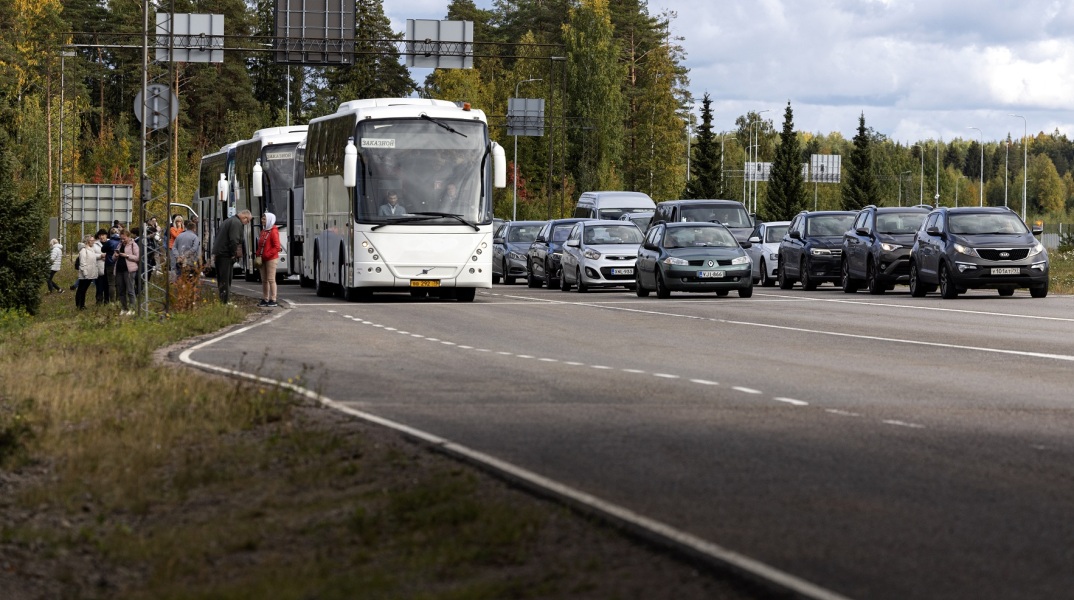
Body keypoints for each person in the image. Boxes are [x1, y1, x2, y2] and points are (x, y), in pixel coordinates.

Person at [211, 209, 252, 304]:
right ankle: (224, 301)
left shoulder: (228, 220)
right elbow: (234, 240)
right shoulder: (236, 223)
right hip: (225, 255)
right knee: (226, 279)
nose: (247, 223)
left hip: (220, 253)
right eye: (248, 220)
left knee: (222, 279)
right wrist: (234, 254)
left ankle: (223, 300)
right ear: (244, 217)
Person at [256, 212, 282, 307]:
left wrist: (266, 255)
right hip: (262, 258)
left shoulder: (274, 231)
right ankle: (265, 298)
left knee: (271, 279)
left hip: (271, 258)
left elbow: (277, 247)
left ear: (270, 220)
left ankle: (273, 299)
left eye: (264, 219)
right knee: (264, 280)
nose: (262, 221)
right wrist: (258, 255)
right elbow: (260, 245)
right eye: (262, 219)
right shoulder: (264, 231)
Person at [113, 229, 140, 315]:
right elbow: (113, 258)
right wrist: (116, 255)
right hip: (119, 270)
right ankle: (124, 308)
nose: (122, 240)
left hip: (129, 270)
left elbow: (137, 257)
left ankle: (132, 308)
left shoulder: (134, 245)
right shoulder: (119, 245)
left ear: (128, 237)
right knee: (121, 290)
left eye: (124, 238)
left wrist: (127, 255)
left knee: (130, 290)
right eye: (121, 238)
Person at [74, 235, 100, 310]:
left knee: (84, 290)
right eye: (92, 240)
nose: (93, 242)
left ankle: (82, 304)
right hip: (85, 274)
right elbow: (83, 263)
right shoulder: (83, 250)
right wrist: (85, 273)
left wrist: (101, 256)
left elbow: (93, 257)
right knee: (81, 290)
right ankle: (79, 305)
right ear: (88, 241)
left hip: (90, 273)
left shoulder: (91, 249)